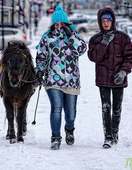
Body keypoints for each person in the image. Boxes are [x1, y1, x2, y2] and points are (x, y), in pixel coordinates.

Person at [35, 6, 87, 150]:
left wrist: (71, 36)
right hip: (53, 79)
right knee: (56, 108)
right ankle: (55, 137)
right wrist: (39, 70)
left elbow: (82, 50)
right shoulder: (47, 37)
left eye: (61, 24)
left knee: (70, 114)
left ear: (66, 24)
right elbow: (41, 56)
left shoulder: (75, 35)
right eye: (56, 24)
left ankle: (69, 130)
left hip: (71, 80)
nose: (59, 27)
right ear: (53, 25)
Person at [88, 8, 132, 149]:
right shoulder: (95, 39)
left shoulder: (123, 38)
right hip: (103, 80)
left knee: (116, 109)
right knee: (105, 108)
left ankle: (115, 133)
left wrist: (123, 72)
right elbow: (94, 57)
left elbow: (130, 57)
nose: (106, 23)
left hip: (118, 79)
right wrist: (104, 43)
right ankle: (107, 137)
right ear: (100, 22)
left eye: (108, 20)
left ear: (112, 21)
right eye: (103, 21)